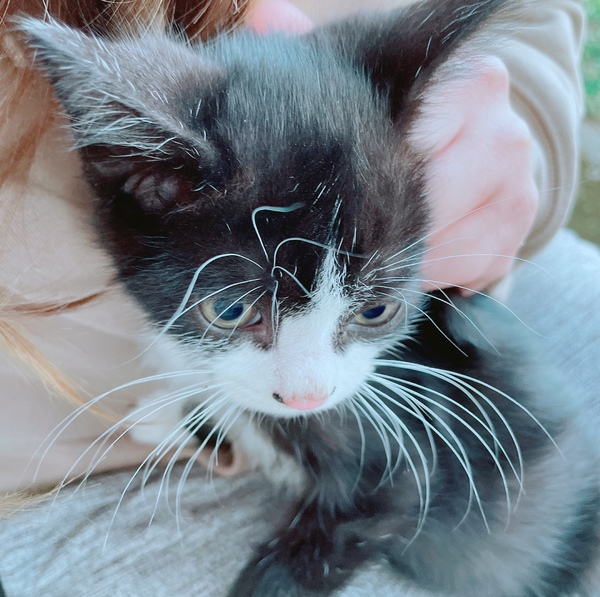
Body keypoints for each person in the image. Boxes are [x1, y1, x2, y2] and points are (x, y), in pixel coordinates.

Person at [0, 0, 586, 496]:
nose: (310, 393)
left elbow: (535, 16)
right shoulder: (162, 175)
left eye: (373, 310)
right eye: (234, 310)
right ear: (140, 181)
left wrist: (510, 140)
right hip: (99, 464)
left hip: (483, 284)